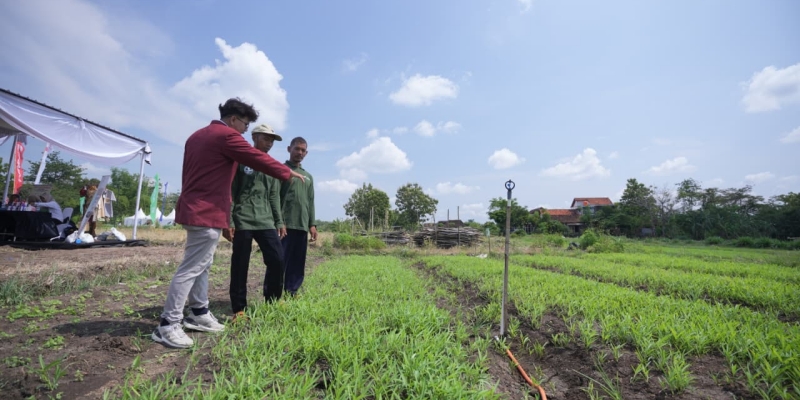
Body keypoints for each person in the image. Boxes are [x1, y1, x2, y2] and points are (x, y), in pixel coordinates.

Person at [152, 98, 305, 349]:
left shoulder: (196, 136)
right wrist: (287, 172)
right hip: (206, 210)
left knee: (203, 264)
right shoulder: (226, 136)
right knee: (192, 267)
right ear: (233, 119)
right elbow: (256, 158)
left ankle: (199, 313)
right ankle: (168, 324)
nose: (245, 130)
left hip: (198, 207)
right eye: (244, 124)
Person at [226, 124, 287, 321]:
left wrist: (279, 221)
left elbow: (274, 196)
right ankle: (239, 308)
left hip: (266, 220)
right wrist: (229, 219)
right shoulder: (241, 159)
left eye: (272, 140)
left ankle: (273, 298)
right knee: (240, 264)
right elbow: (232, 190)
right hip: (243, 218)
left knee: (277, 258)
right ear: (254, 137)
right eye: (266, 138)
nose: (269, 143)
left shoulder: (272, 165)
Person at [280, 137, 316, 296]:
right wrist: (279, 221)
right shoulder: (280, 169)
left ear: (306, 153)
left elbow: (310, 201)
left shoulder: (308, 176)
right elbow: (274, 197)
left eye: (303, 150)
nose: (299, 152)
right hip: (284, 225)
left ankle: (292, 292)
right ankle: (275, 293)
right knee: (280, 261)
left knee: (297, 262)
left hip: (302, 225)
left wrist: (312, 224)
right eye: (297, 149)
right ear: (289, 149)